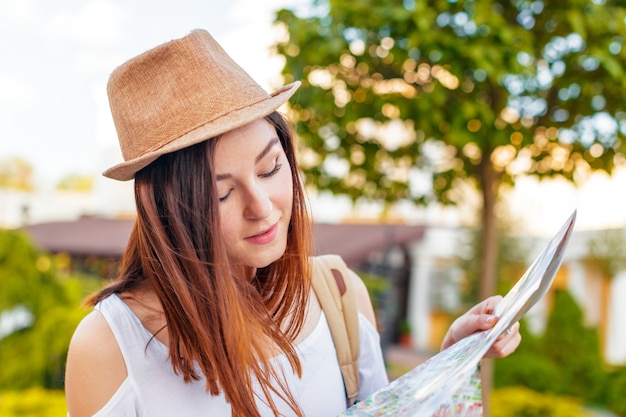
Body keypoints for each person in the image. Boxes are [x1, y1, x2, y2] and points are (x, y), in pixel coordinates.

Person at [64, 29, 521, 417]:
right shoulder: (110, 347)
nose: (261, 207)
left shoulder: (339, 293)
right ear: (166, 210)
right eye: (222, 193)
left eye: (270, 169)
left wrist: (452, 360)